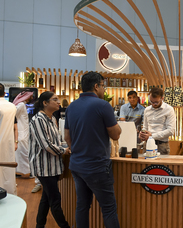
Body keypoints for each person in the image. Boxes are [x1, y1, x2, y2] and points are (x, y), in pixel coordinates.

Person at [64, 71, 122, 228]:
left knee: (82, 206)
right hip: (97, 166)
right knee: (109, 209)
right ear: (96, 86)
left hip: (76, 165)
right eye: (103, 86)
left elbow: (67, 137)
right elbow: (115, 135)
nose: (104, 90)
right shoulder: (103, 105)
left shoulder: (71, 107)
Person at [29, 91, 70, 228]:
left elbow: (56, 141)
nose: (58, 102)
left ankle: (39, 225)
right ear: (45, 103)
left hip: (52, 166)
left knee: (46, 199)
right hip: (44, 167)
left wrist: (65, 146)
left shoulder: (52, 119)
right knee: (55, 200)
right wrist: (64, 150)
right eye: (55, 99)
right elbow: (46, 145)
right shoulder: (37, 120)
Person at [139, 87, 176, 155]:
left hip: (162, 145)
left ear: (162, 98)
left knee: (161, 165)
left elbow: (170, 131)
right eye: (151, 102)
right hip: (147, 144)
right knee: (146, 165)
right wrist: (143, 133)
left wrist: (152, 136)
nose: (153, 104)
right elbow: (145, 127)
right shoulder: (147, 110)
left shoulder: (169, 109)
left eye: (156, 102)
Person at [0, 83, 17, 194]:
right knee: (8, 170)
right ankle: (10, 192)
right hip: (9, 141)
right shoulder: (12, 106)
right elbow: (15, 126)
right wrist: (16, 141)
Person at [13, 90, 33, 177]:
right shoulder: (21, 105)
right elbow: (14, 115)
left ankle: (24, 171)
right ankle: (26, 171)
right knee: (23, 153)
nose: (32, 97)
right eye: (30, 96)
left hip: (23, 132)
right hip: (21, 133)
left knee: (22, 153)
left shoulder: (22, 105)